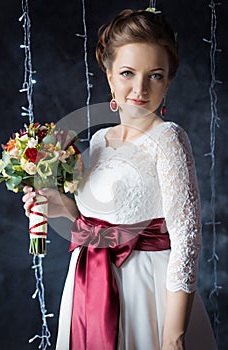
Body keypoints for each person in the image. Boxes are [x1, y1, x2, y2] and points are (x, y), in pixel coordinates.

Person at [23, 8, 217, 350]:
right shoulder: (99, 140)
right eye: (128, 73)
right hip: (87, 278)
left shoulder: (168, 138)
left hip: (143, 288)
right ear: (110, 76)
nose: (139, 88)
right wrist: (60, 206)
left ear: (169, 80)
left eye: (155, 75)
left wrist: (173, 335)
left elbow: (187, 238)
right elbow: (99, 218)